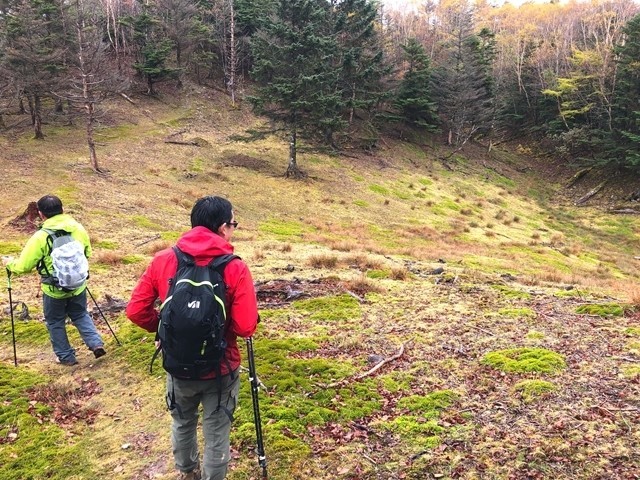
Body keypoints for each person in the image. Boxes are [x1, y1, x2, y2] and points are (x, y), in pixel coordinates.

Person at [126, 195, 258, 480]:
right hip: (221, 366)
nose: (233, 229)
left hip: (177, 363)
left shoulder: (164, 259)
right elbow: (246, 327)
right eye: (233, 224)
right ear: (223, 227)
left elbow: (135, 310)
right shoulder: (235, 267)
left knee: (183, 422)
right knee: (217, 430)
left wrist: (164, 329)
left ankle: (187, 473)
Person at [4, 194, 106, 365]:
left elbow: (23, 266)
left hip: (53, 290)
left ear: (41, 214)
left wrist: (9, 263)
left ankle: (66, 357)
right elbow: (86, 253)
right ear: (62, 210)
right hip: (79, 285)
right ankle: (96, 344)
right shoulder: (78, 229)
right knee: (80, 314)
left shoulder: (40, 237)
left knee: (55, 321)